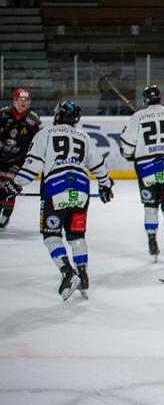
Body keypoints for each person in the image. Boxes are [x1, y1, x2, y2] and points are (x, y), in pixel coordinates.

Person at [0, 101, 114, 300]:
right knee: (76, 237)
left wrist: (14, 186)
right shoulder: (84, 137)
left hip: (56, 187)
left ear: (59, 116)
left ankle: (68, 272)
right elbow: (98, 165)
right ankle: (83, 277)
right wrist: (105, 185)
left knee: (51, 236)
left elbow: (32, 165)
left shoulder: (44, 134)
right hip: (81, 188)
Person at [119, 85, 164, 264]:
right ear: (160, 98)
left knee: (150, 207)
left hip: (146, 168)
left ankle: (152, 242)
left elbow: (127, 148)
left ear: (145, 101)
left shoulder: (138, 117)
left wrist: (130, 154)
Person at [0, 89, 41, 230]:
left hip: (18, 160)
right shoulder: (3, 114)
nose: (23, 103)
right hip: (1, 158)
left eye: (25, 100)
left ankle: (5, 216)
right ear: (15, 101)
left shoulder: (33, 120)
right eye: (20, 100)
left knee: (9, 187)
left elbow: (37, 142)